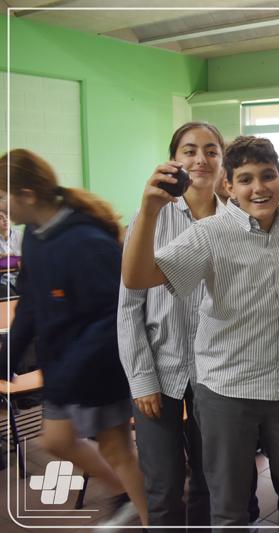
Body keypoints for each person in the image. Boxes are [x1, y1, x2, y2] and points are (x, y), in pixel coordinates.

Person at [120, 136, 279, 528]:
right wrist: (149, 210)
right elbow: (137, 277)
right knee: (229, 506)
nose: (258, 187)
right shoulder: (209, 233)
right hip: (227, 391)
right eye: (245, 179)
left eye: (267, 176)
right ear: (228, 186)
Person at [1, 149, 147, 527]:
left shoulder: (84, 240)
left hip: (98, 369)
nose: (1, 206)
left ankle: (148, 512)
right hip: (64, 370)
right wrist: (8, 356)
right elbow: (31, 301)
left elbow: (112, 318)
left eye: (2, 196)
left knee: (116, 449)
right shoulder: (34, 236)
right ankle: (129, 496)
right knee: (57, 440)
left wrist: (67, 375)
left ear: (26, 195)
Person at [117, 122, 226, 530]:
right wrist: (141, 378)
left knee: (209, 483)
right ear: (174, 160)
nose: (201, 159)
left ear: (222, 161)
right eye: (190, 150)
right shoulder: (151, 218)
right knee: (163, 488)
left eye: (211, 151)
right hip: (159, 372)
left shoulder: (234, 221)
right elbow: (129, 305)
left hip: (215, 375)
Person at [0, 205, 22, 295]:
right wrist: (15, 255)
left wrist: (5, 256)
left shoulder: (19, 235)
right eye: (0, 218)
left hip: (22, 278)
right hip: (3, 281)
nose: (5, 220)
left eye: (7, 216)